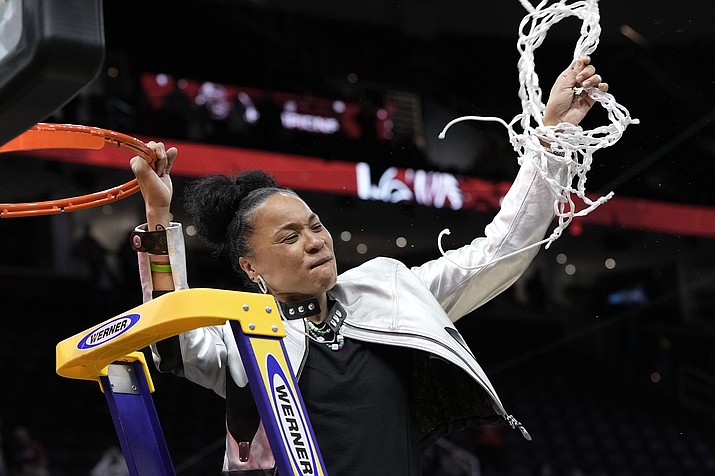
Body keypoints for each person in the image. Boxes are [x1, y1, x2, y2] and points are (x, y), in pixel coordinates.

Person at [129, 57, 609, 475]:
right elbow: (169, 332)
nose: (315, 241)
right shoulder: (239, 339)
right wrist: (157, 217)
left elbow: (500, 252)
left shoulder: (388, 290)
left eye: (315, 226)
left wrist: (554, 139)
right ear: (251, 268)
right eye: (290, 237)